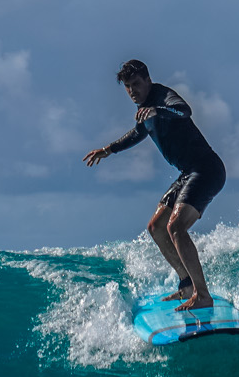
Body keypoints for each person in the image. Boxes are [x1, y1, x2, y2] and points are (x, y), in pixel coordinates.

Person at [83, 59, 226, 311]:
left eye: (136, 84)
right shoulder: (144, 111)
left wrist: (159, 111)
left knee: (176, 226)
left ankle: (203, 295)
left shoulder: (163, 97)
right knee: (157, 226)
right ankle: (187, 285)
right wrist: (108, 150)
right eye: (127, 87)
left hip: (207, 169)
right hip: (187, 173)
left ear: (148, 80)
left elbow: (184, 111)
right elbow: (139, 132)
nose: (132, 91)